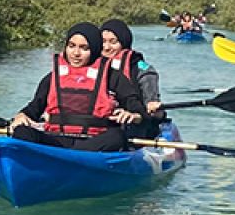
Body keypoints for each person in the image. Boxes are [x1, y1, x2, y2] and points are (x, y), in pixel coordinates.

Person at [8, 22, 148, 152]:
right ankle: (62, 158)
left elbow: (139, 112)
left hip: (94, 142)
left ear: (94, 49)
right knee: (22, 131)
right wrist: (21, 116)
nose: (76, 53)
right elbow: (34, 108)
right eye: (71, 46)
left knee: (117, 136)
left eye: (84, 48)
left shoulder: (113, 77)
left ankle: (69, 159)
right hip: (56, 139)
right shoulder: (52, 77)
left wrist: (134, 116)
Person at [99, 20, 163, 138]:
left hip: (135, 124)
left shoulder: (143, 70)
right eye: (103, 42)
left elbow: (152, 107)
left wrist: (148, 107)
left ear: (124, 43)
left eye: (113, 42)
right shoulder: (92, 66)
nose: (106, 47)